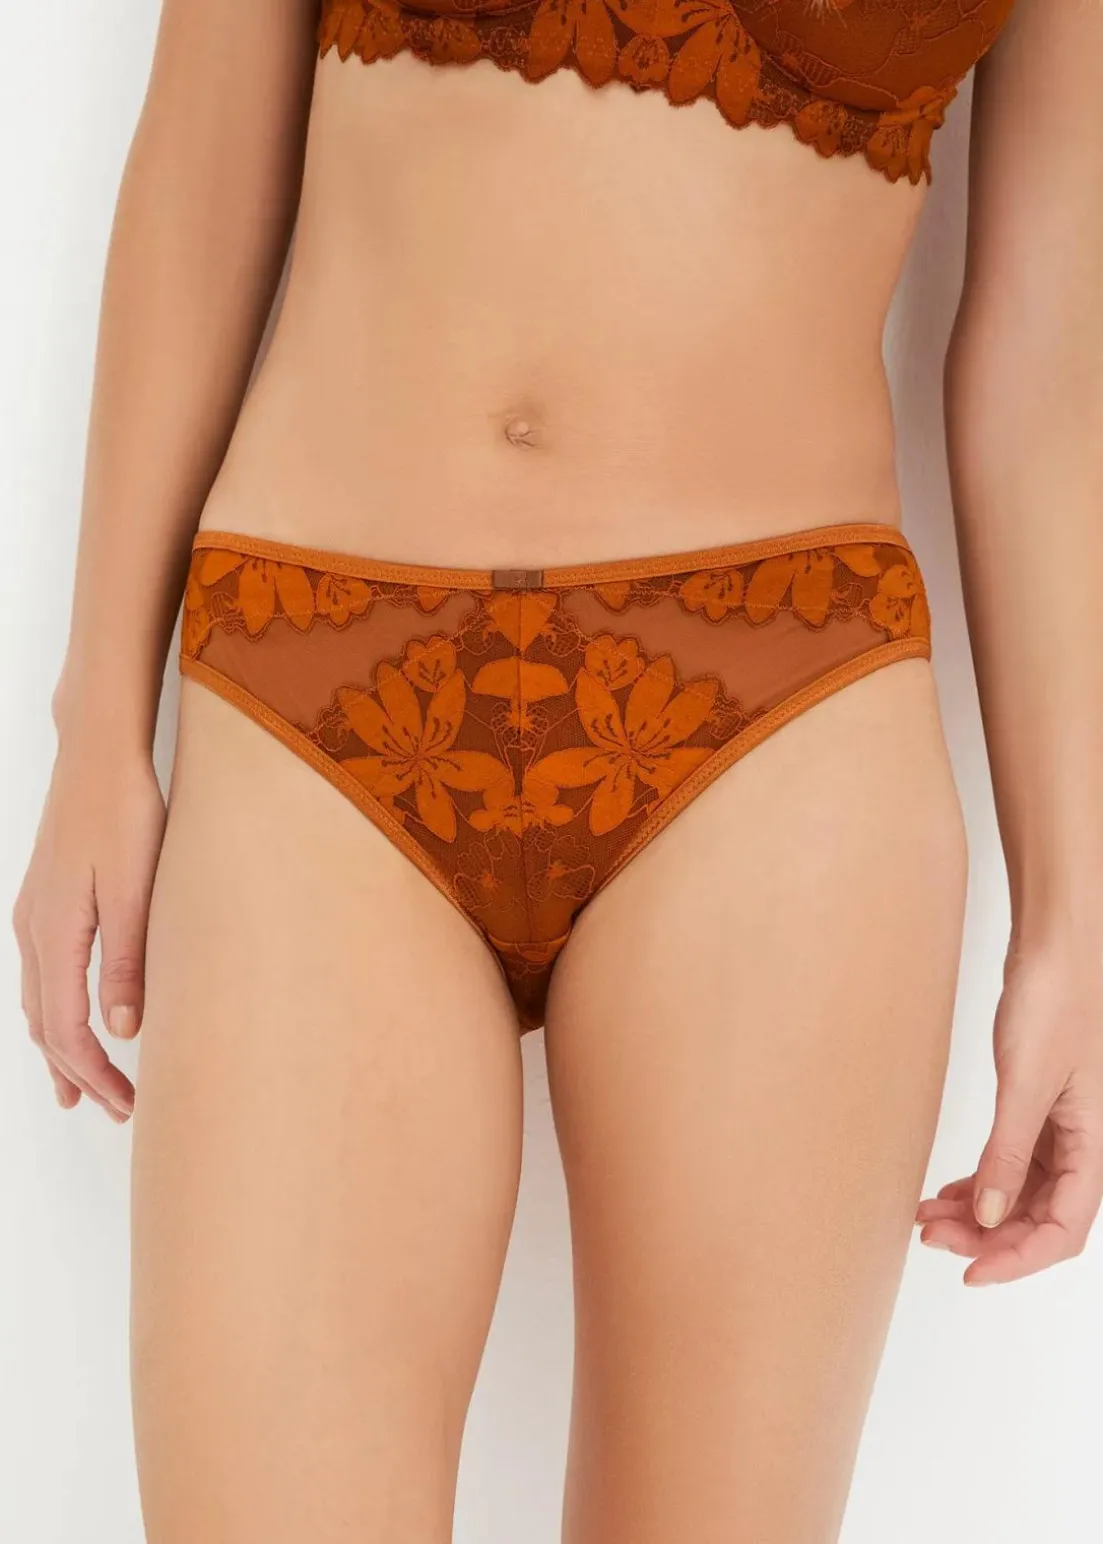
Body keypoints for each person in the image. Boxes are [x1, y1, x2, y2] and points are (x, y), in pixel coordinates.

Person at [12, 2, 1103, 1540]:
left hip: (778, 721)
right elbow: (200, 158)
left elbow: (1051, 349)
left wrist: (1072, 915)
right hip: (311, 677)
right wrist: (94, 727)